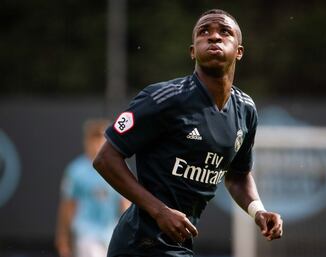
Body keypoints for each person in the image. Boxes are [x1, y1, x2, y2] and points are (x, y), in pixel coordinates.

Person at [93, 9, 283, 257]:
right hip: (141, 243)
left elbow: (237, 175)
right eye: (204, 32)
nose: (213, 37)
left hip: (177, 243)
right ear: (193, 50)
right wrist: (160, 210)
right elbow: (105, 159)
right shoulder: (164, 99)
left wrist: (258, 210)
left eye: (224, 32)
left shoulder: (245, 110)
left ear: (239, 51)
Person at [55, 119, 131, 257]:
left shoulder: (117, 168)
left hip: (111, 233)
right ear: (86, 141)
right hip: (86, 233)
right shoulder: (76, 170)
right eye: (93, 139)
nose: (97, 144)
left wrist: (130, 233)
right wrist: (63, 237)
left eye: (101, 138)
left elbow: (125, 203)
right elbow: (68, 206)